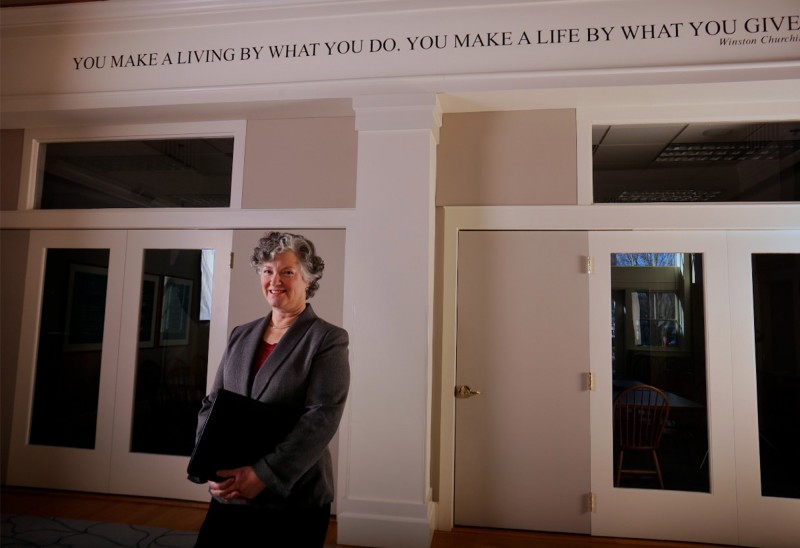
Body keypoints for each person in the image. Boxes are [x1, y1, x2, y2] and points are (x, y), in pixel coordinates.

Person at [193, 231, 350, 547]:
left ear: (308, 279)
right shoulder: (241, 334)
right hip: (231, 488)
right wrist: (208, 466)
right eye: (267, 271)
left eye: (287, 272)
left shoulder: (327, 339)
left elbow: (321, 418)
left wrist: (262, 475)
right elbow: (213, 404)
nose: (274, 280)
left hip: (292, 494)